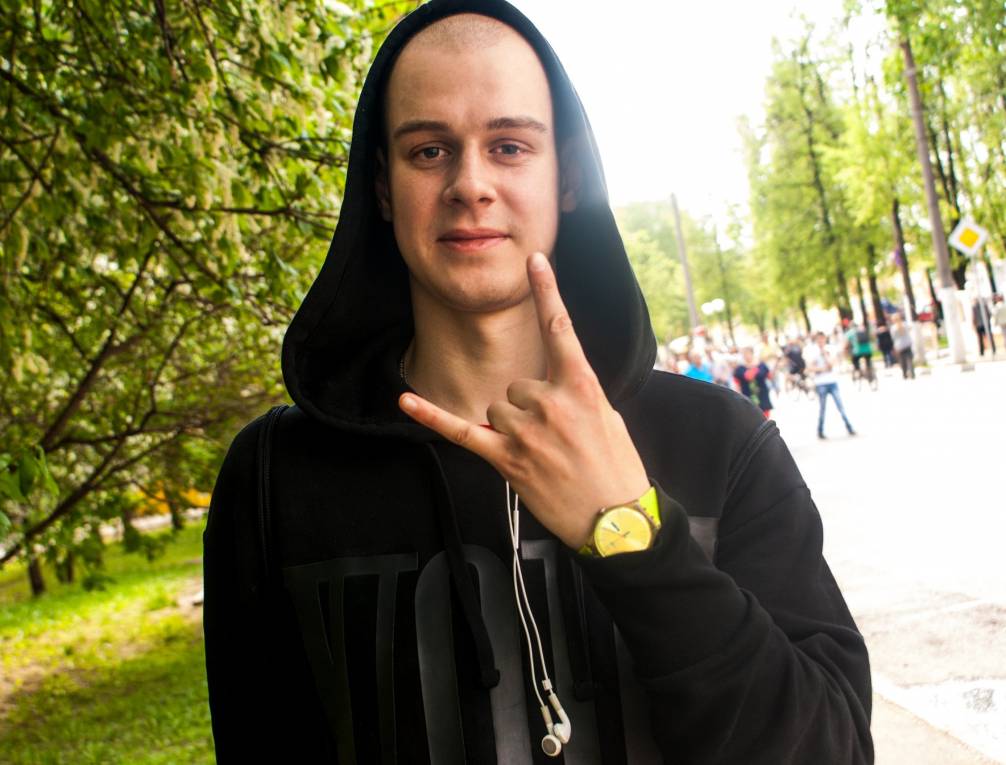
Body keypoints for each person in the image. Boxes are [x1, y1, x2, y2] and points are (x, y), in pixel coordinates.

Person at [203, 4, 872, 763]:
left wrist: (631, 531)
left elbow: (834, 750)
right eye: (429, 151)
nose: (470, 184)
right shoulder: (273, 480)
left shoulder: (722, 442)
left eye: (510, 146)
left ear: (569, 178)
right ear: (382, 187)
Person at [807, 331, 856, 440]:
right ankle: (820, 431)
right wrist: (820, 368)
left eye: (822, 339)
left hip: (832, 381)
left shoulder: (830, 349)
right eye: (819, 339)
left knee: (840, 406)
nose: (821, 341)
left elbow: (831, 364)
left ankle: (849, 427)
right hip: (821, 383)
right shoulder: (812, 352)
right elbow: (810, 367)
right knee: (822, 409)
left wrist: (824, 354)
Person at [733, 346, 773, 418]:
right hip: (748, 397)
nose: (746, 356)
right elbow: (739, 381)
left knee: (765, 417)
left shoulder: (762, 365)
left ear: (752, 353)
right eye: (744, 354)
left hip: (762, 396)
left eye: (747, 353)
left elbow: (770, 376)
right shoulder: (740, 368)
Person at [844, 321, 875, 387]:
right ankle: (870, 373)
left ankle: (859, 371)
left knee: (855, 361)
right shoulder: (862, 330)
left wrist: (845, 350)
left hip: (857, 351)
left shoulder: (850, 333)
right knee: (868, 362)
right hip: (868, 350)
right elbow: (871, 337)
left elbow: (846, 344)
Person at [890, 314, 915, 380]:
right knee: (909, 359)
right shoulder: (904, 324)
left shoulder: (893, 328)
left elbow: (893, 338)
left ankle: (904, 374)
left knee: (902, 360)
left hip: (899, 346)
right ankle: (912, 373)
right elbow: (910, 328)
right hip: (907, 343)